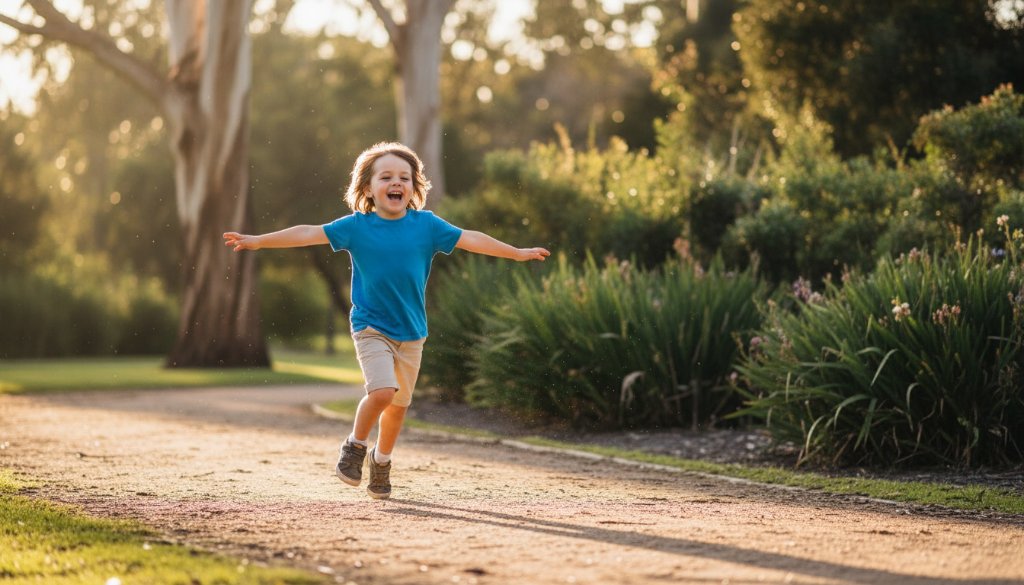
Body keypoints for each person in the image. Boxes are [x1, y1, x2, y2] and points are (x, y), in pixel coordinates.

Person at [223, 142, 550, 500]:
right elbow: (307, 232)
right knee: (382, 391)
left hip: (412, 332)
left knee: (397, 408)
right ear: (367, 189)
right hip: (370, 326)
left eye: (404, 178)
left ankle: (382, 461)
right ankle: (355, 447)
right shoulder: (356, 227)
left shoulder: (426, 226)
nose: (397, 183)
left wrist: (516, 252)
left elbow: (470, 239)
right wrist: (259, 242)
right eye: (386, 177)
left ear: (413, 188)